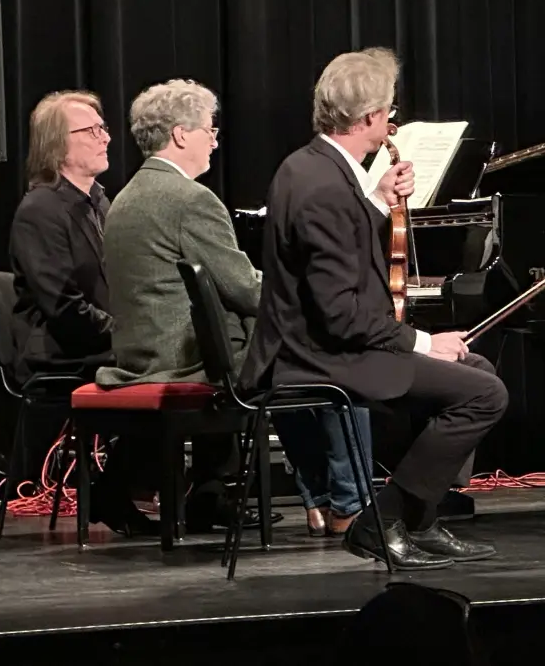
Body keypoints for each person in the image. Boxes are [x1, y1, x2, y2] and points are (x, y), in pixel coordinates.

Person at [249, 47, 508, 570]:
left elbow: (341, 244)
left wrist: (375, 198)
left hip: (323, 343)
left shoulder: (316, 168)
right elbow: (340, 315)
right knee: (485, 394)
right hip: (318, 356)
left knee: (476, 369)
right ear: (369, 117)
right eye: (389, 111)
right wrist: (423, 342)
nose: (391, 120)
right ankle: (379, 524)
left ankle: (419, 521)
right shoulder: (323, 187)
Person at [95, 78, 262, 532]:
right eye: (210, 129)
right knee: (291, 350)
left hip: (136, 353)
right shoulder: (191, 199)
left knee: (233, 333)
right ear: (181, 134)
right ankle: (337, 498)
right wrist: (297, 294)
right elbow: (244, 288)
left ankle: (211, 491)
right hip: (180, 359)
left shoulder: (126, 196)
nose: (215, 141)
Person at [8, 91, 114, 382]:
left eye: (103, 128)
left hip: (103, 345)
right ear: (57, 144)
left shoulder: (100, 202)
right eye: (92, 131)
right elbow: (65, 309)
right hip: (63, 355)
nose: (105, 138)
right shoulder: (39, 210)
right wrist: (127, 333)